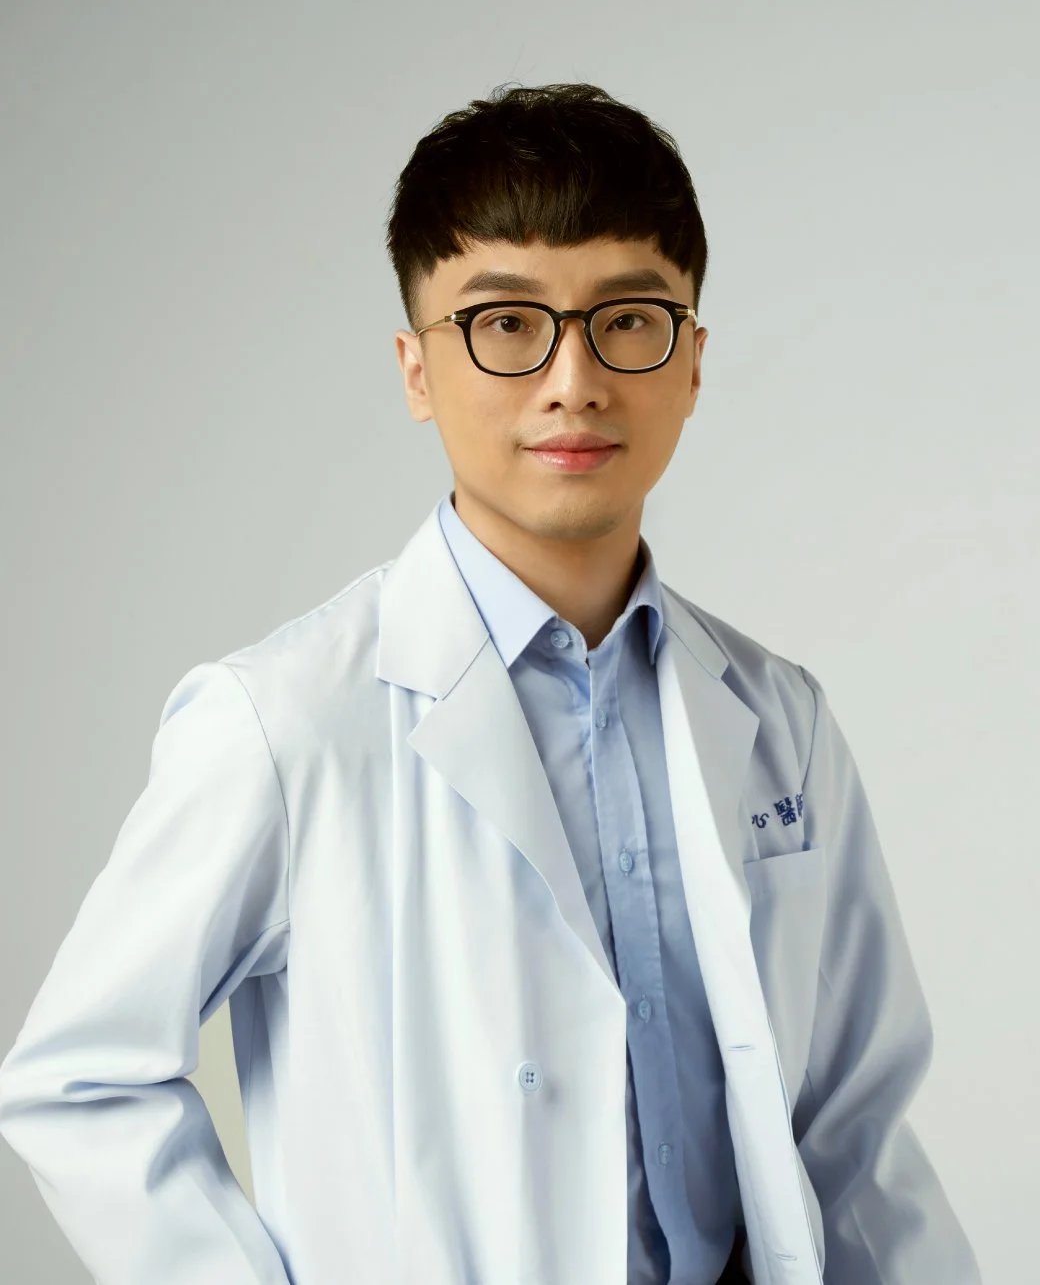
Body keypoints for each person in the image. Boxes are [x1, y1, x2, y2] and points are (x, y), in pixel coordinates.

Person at [0, 81, 981, 1285]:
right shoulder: (285, 719)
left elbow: (855, 1124)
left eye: (627, 318)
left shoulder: (778, 717)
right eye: (505, 324)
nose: (572, 379)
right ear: (417, 368)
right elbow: (77, 1080)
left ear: (691, 361)